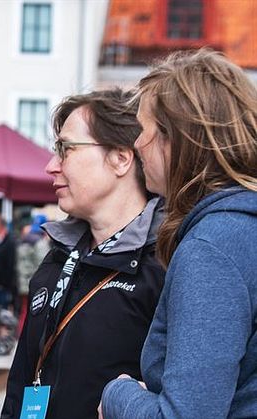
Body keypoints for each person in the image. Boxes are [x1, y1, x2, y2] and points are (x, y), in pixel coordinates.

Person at [100, 50, 257, 419]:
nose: (136, 144)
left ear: (180, 139)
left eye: (145, 131)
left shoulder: (214, 246)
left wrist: (117, 394)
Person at [1, 88, 166, 419]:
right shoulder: (56, 260)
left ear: (121, 157)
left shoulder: (165, 267)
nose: (51, 166)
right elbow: (21, 384)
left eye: (66, 149)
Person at [16, 214, 51, 334]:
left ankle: (20, 334)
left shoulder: (23, 240)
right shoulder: (40, 242)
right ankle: (26, 335)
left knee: (24, 310)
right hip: (34, 283)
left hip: (22, 282)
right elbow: (44, 263)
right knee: (33, 311)